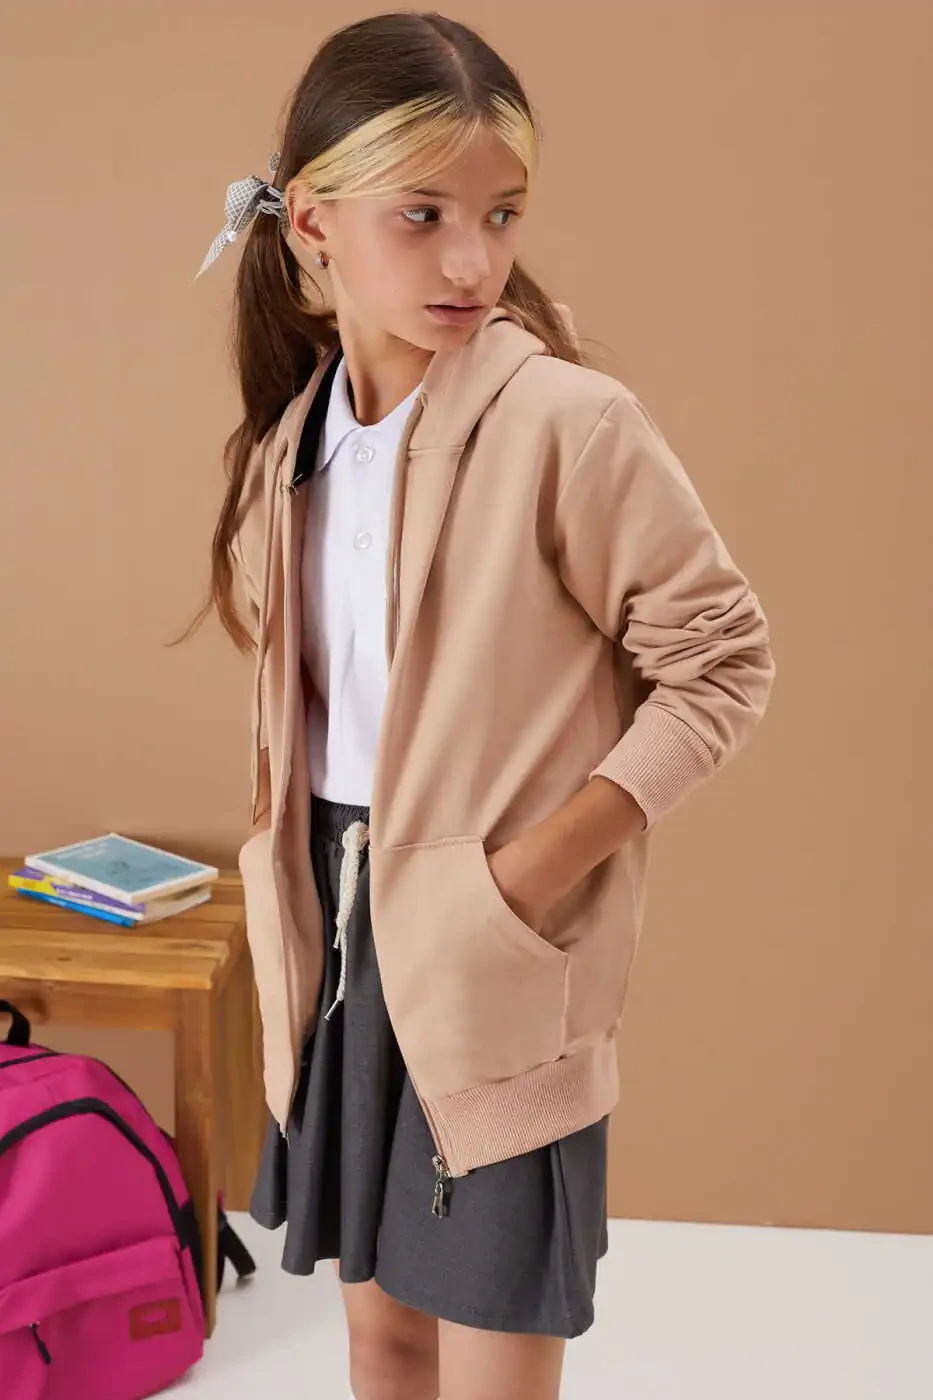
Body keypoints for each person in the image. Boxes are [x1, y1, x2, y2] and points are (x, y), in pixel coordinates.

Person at [189, 11, 776, 1399]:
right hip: (332, 932)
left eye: (501, 213)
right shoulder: (293, 450)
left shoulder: (567, 424)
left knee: (493, 1342)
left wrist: (521, 879)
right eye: (424, 214)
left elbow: (721, 662)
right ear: (311, 224)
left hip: (487, 941)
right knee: (382, 1333)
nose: (472, 259)